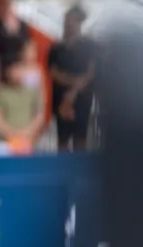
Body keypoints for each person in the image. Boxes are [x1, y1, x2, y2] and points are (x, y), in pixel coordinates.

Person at [48, 5, 97, 152]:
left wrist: (73, 92)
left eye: (73, 20)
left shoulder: (89, 46)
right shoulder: (56, 47)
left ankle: (79, 173)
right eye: (67, 20)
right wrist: (73, 84)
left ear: (80, 22)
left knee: (80, 138)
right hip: (60, 97)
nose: (69, 23)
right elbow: (53, 71)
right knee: (62, 138)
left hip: (82, 98)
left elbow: (90, 72)